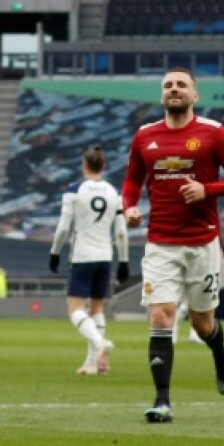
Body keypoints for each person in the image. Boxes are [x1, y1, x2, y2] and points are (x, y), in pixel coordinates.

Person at [122, 67, 224, 423]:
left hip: (202, 242)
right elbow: (133, 180)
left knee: (202, 323)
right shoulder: (145, 137)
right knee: (161, 314)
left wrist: (206, 190)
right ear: (161, 94)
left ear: (195, 95)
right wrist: (129, 207)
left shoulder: (214, 134)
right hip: (160, 243)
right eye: (168, 85)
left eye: (181, 85)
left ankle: (220, 351)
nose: (174, 89)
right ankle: (162, 401)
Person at [48, 143, 130, 375]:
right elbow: (121, 232)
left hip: (83, 255)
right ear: (103, 166)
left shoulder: (74, 191)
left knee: (75, 309)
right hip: (105, 257)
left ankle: (100, 343)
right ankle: (93, 364)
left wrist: (55, 252)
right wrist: (124, 261)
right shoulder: (115, 193)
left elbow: (64, 228)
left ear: (84, 165)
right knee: (97, 308)